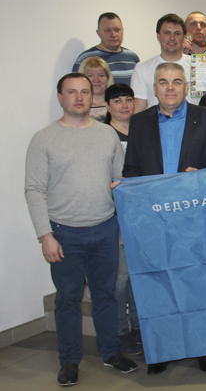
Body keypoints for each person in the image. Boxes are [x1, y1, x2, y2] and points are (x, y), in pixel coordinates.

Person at [25, 73, 137, 386]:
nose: (79, 98)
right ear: (60, 98)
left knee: (105, 295)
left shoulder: (107, 134)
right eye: (72, 92)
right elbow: (34, 190)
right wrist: (45, 235)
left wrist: (121, 225)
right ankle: (69, 361)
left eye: (84, 92)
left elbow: (119, 182)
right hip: (64, 233)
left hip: (105, 229)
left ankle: (111, 351)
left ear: (92, 97)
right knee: (68, 299)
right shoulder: (44, 139)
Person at [123, 62, 206, 374]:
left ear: (186, 86)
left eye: (176, 81)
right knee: (160, 288)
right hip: (155, 220)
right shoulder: (139, 122)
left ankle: (205, 348)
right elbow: (132, 169)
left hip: (196, 219)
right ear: (154, 88)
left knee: (199, 285)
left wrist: (202, 176)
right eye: (163, 82)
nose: (170, 88)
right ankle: (162, 350)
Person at [102, 83, 141, 355]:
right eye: (117, 100)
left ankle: (139, 328)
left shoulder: (142, 131)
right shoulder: (103, 135)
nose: (124, 105)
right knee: (120, 279)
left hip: (141, 214)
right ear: (107, 106)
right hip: (115, 215)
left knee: (137, 277)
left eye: (128, 99)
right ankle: (120, 331)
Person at [130, 14, 192, 111]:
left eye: (177, 33)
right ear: (158, 36)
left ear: (184, 37)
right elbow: (138, 111)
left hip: (195, 121)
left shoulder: (198, 66)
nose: (172, 38)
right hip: (156, 121)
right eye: (166, 33)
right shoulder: (142, 68)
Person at [73, 12, 140, 86]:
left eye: (117, 30)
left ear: (122, 30)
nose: (113, 35)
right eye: (107, 30)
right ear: (99, 33)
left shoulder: (132, 57)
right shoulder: (86, 58)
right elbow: (76, 86)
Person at [78, 56, 114, 122]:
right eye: (90, 75)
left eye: (101, 75)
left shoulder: (117, 104)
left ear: (108, 78)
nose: (96, 80)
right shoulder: (77, 105)